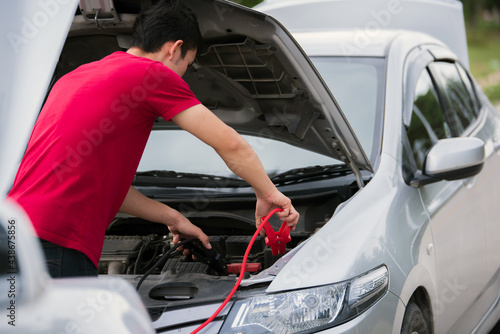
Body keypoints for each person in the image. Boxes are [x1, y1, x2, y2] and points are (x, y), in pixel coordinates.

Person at [7, 0, 299, 278]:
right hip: (56, 243)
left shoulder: (74, 77)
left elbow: (107, 186)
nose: (184, 76)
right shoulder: (152, 75)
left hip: (11, 233)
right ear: (175, 49)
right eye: (189, 64)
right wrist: (267, 194)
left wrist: (172, 218)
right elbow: (231, 143)